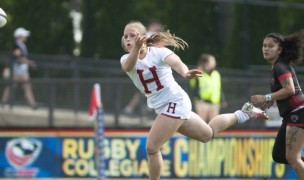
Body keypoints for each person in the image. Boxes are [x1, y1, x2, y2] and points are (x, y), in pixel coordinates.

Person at [120, 20, 268, 180]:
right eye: (125, 36)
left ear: (142, 37)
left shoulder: (158, 52)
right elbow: (129, 66)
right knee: (208, 135)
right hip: (166, 108)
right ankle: (244, 113)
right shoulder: (126, 59)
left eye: (132, 35)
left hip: (175, 102)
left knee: (152, 148)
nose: (128, 39)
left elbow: (176, 62)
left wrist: (185, 72)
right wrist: (135, 48)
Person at [250, 31, 304, 178]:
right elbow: (284, 91)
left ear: (279, 49)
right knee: (279, 155)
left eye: (271, 46)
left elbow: (290, 89)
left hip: (298, 113)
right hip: (290, 116)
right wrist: (273, 99)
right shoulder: (275, 67)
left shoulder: (281, 66)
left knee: (293, 158)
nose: (266, 49)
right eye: (264, 46)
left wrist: (266, 96)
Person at [123, 19, 163, 115]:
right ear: (151, 26)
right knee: (146, 90)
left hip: (150, 68)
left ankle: (141, 107)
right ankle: (135, 107)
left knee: (147, 90)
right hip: (145, 67)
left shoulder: (153, 36)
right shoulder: (148, 35)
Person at [1, 27, 38, 109]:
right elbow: (18, 58)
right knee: (12, 86)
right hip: (17, 69)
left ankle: (32, 104)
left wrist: (28, 62)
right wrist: (29, 62)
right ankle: (3, 103)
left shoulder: (22, 45)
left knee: (26, 86)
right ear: (20, 35)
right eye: (24, 35)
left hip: (23, 69)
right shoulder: (17, 44)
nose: (25, 37)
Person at [190, 53, 227, 122]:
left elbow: (219, 88)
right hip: (202, 102)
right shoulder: (199, 73)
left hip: (215, 103)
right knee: (201, 123)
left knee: (214, 123)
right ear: (206, 62)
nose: (214, 63)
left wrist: (222, 100)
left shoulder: (216, 74)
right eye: (212, 61)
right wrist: (198, 98)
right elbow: (194, 86)